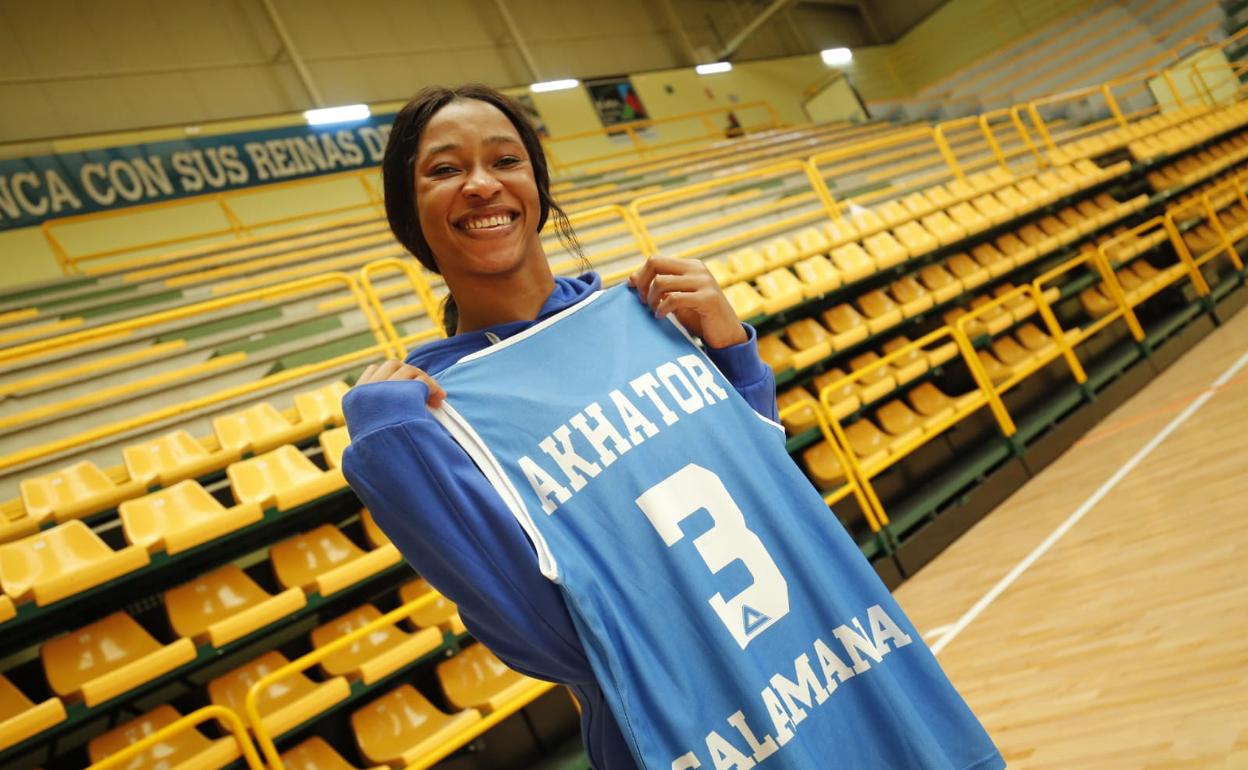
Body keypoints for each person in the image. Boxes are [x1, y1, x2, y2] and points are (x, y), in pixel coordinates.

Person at [342, 84, 1002, 770]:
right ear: (408, 216)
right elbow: (548, 640)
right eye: (445, 170)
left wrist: (733, 356)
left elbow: (765, 487)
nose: (482, 185)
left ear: (536, 182)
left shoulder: (654, 316)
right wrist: (396, 458)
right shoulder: (437, 417)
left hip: (846, 672)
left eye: (504, 159)